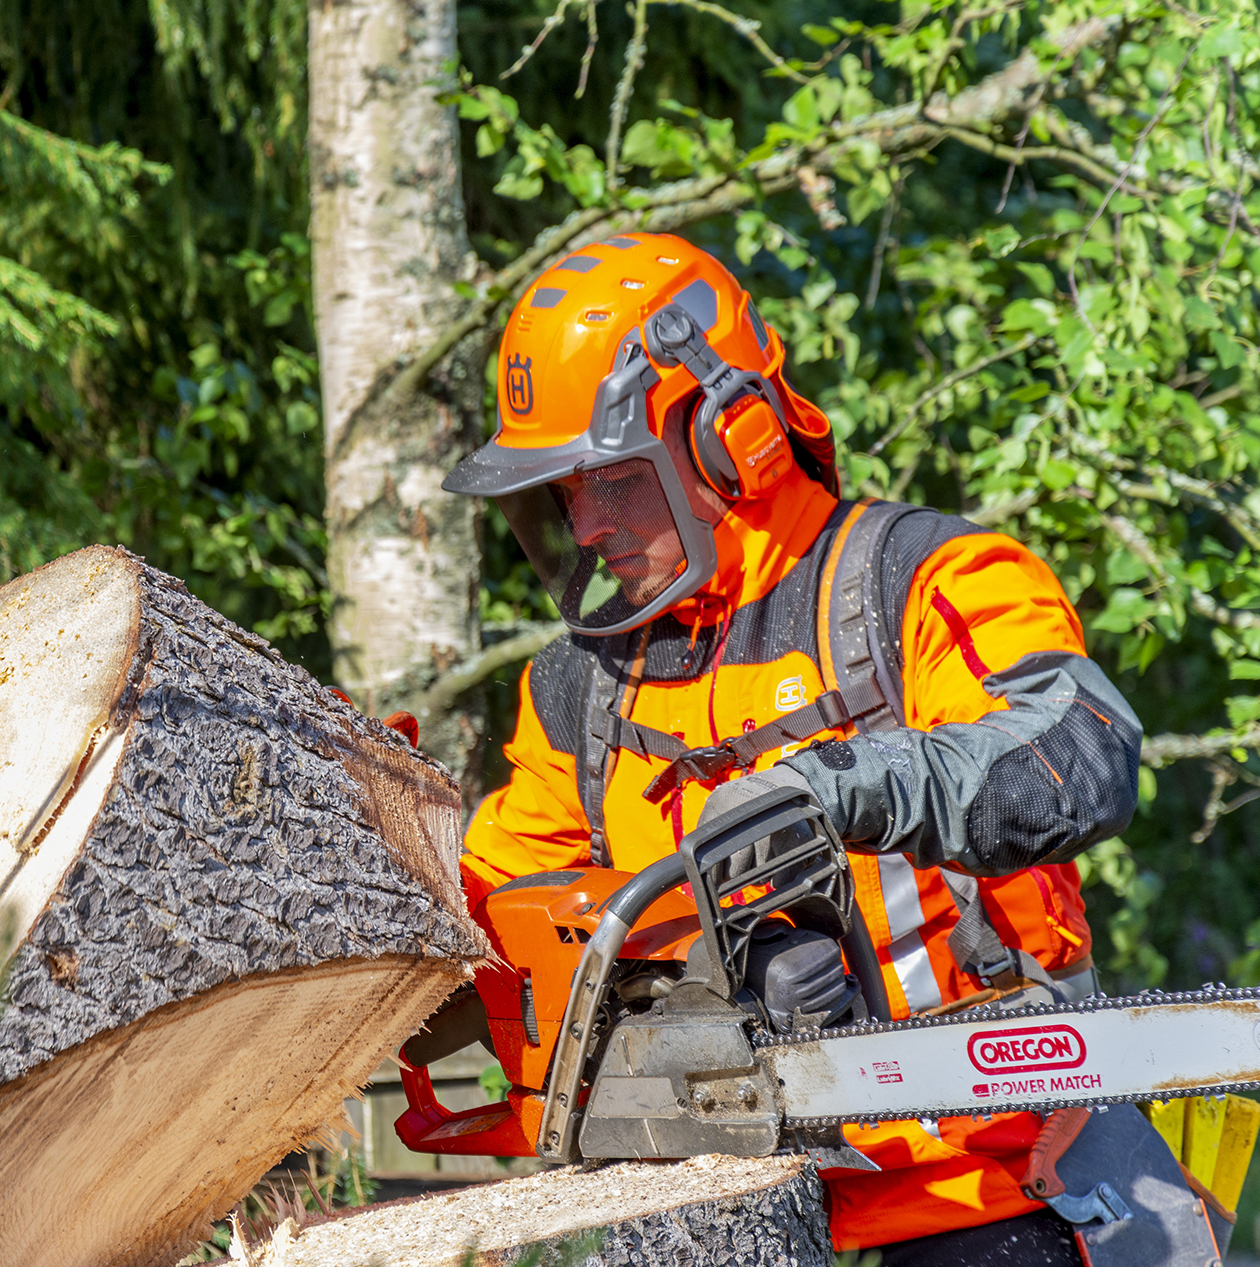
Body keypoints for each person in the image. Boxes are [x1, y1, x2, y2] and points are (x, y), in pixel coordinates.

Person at [441, 232, 1143, 1263]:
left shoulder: (914, 584)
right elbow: (507, 899)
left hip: (973, 1185)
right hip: (711, 1209)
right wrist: (706, 967)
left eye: (614, 481)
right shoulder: (577, 691)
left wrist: (837, 788)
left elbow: (1075, 751)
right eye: (561, 493)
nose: (584, 523)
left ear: (733, 433)